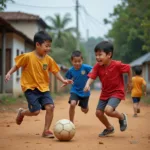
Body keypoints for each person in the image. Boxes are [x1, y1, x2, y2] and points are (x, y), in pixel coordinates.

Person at [5, 31, 72, 138]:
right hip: (30, 88)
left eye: (50, 46)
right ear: (37, 44)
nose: (48, 49)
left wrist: (63, 80)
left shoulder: (49, 59)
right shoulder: (28, 56)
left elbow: (55, 71)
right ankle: (22, 112)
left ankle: (46, 131)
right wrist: (9, 73)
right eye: (46, 46)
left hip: (44, 89)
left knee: (50, 107)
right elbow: (17, 65)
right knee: (35, 111)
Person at [84, 41, 132, 137]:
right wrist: (87, 84)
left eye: (100, 55)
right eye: (96, 55)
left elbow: (128, 68)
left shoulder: (117, 65)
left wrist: (130, 82)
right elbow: (92, 76)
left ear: (109, 55)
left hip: (117, 92)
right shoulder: (98, 66)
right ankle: (109, 128)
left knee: (108, 110)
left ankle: (122, 117)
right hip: (105, 93)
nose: (97, 57)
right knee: (98, 113)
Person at [63, 50, 92, 123]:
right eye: (75, 61)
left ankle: (85, 106)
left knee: (84, 110)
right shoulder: (71, 70)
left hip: (85, 92)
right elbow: (67, 78)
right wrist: (66, 82)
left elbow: (94, 71)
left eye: (79, 61)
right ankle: (71, 122)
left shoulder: (86, 67)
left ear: (82, 60)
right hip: (75, 90)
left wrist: (89, 82)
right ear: (71, 61)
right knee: (72, 104)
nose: (77, 63)